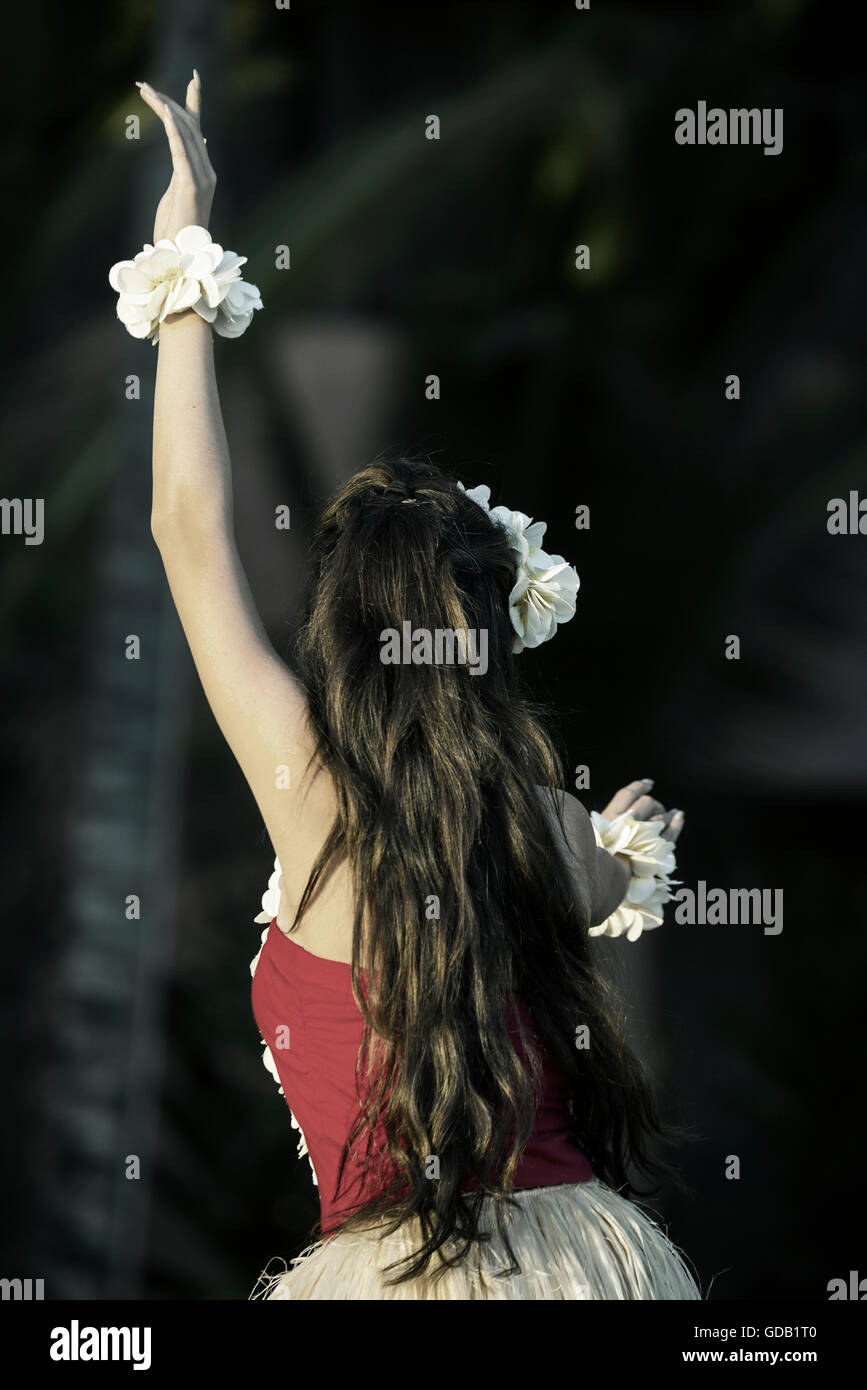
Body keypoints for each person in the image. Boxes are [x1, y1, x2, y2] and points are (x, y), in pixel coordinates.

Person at [124, 72, 700, 1300]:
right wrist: (626, 842)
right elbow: (607, 868)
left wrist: (186, 247)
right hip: (590, 1267)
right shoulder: (539, 827)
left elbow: (187, 527)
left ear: (338, 634)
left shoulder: (310, 798)